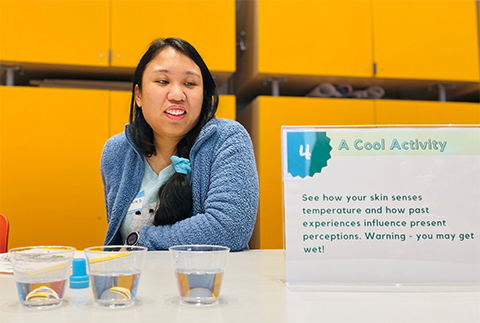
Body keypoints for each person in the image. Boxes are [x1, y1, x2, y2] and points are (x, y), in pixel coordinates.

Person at [100, 38, 259, 251]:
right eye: (162, 81)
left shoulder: (227, 139)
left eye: (190, 84)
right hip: (137, 282)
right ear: (138, 95)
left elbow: (229, 229)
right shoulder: (117, 151)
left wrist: (141, 242)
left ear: (204, 95)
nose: (177, 95)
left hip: (209, 283)